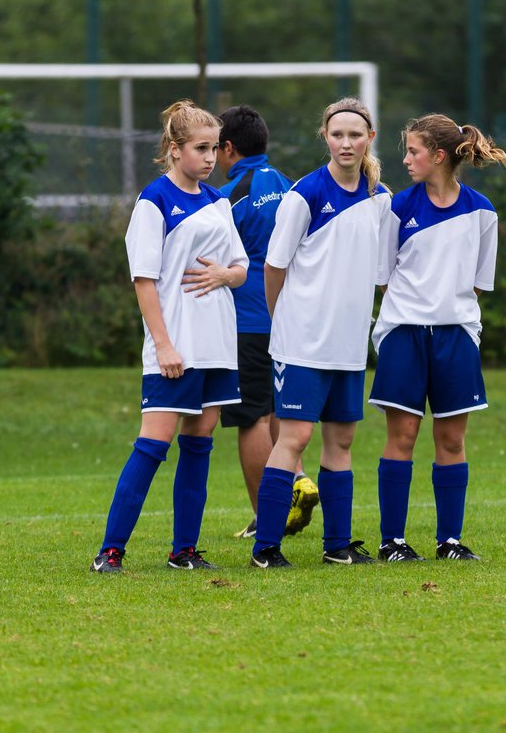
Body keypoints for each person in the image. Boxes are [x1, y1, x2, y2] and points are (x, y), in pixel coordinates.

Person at [92, 100, 248, 573]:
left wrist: (226, 275)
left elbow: (242, 269)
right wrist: (162, 344)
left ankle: (184, 551)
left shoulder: (220, 202)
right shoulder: (154, 201)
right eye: (200, 148)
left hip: (218, 342)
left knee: (199, 444)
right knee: (153, 444)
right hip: (175, 344)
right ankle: (110, 551)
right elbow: (144, 280)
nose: (209, 157)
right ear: (174, 149)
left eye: (214, 148)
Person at [249, 97, 394, 568]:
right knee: (293, 440)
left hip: (349, 345)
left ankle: (337, 546)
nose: (346, 143)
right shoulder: (303, 195)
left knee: (342, 443)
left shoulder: (380, 198)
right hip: (302, 343)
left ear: (369, 138)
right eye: (337, 135)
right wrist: (283, 322)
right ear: (325, 138)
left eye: (355, 135)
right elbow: (275, 266)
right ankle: (266, 547)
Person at [369, 115, 506, 562]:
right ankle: (392, 541)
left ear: (437, 156)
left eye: (413, 151)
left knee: (451, 439)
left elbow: (475, 284)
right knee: (404, 434)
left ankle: (449, 541)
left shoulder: (482, 212)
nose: (405, 158)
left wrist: (446, 312)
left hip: (456, 337)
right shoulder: (397, 208)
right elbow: (383, 277)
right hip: (403, 333)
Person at [214, 105, 319, 541]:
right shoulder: (289, 186)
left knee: (250, 417)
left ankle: (267, 512)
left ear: (229, 148)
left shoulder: (229, 197)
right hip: (289, 316)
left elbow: (219, 260)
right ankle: (296, 477)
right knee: (278, 408)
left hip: (247, 319)